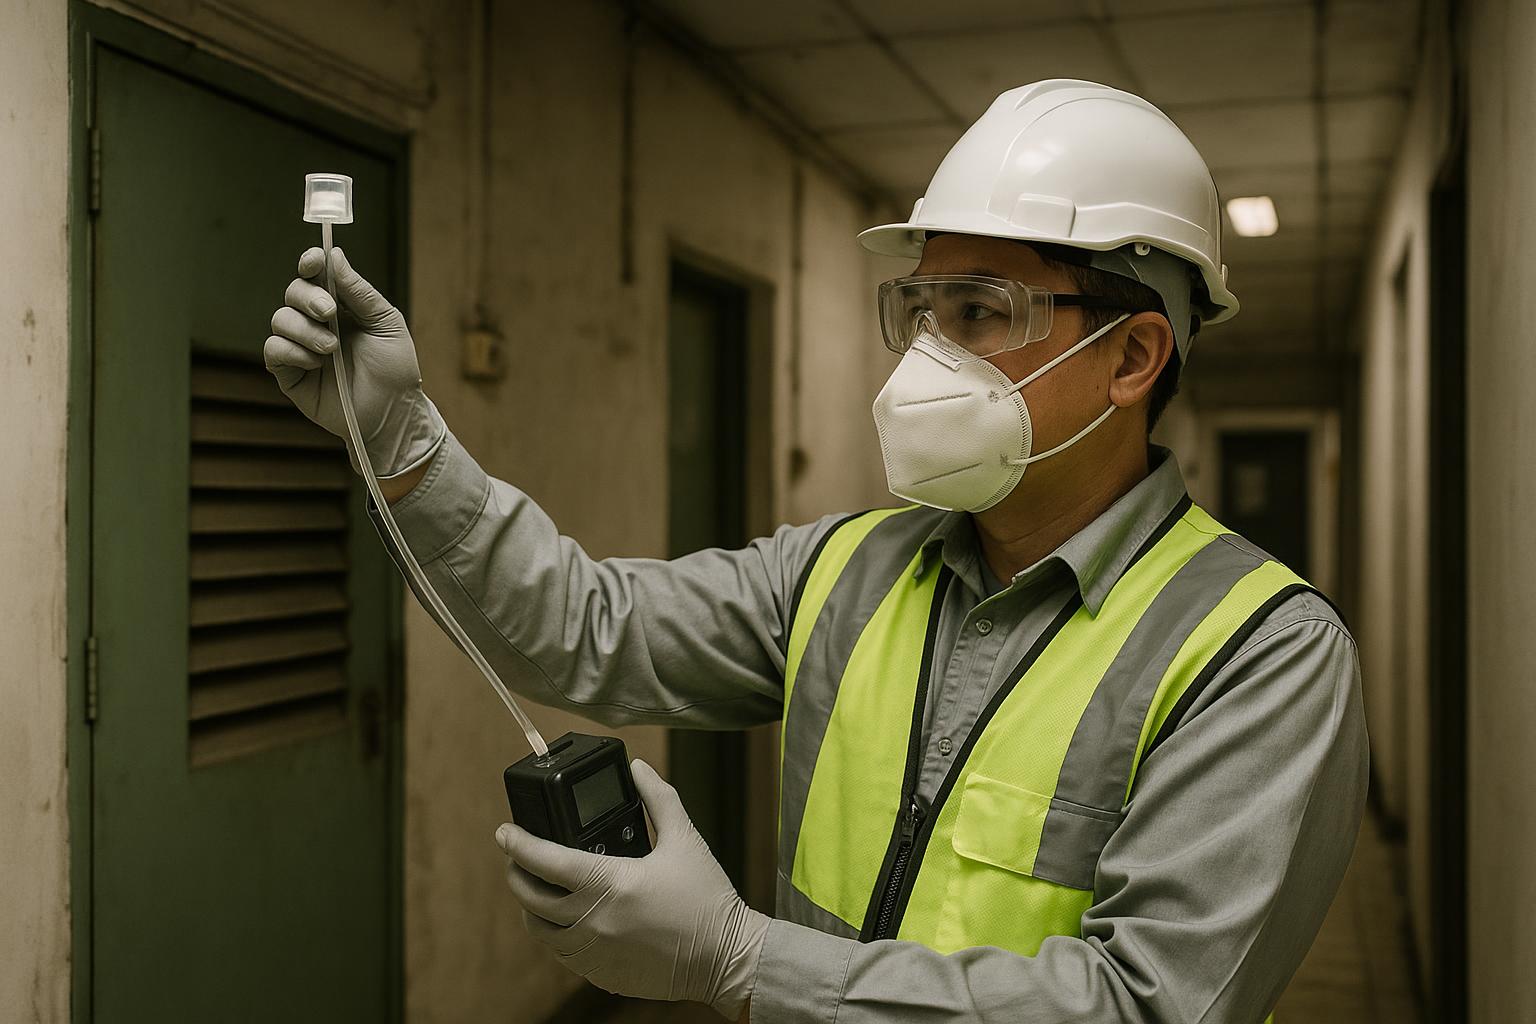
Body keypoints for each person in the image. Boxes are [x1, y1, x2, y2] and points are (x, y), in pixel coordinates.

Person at [265, 79, 1366, 1023]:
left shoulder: (1258, 654)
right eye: (922, 308)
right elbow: (580, 631)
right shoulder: (845, 571)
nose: (930, 355)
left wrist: (746, 966)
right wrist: (406, 445)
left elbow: (1146, 1002)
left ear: (1133, 356)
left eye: (980, 312)